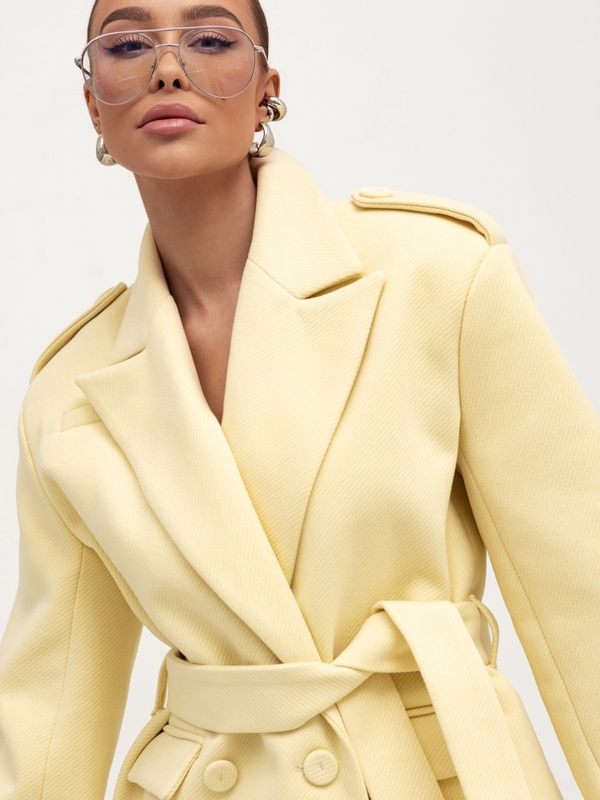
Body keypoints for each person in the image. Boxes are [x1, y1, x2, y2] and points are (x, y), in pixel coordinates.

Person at [0, 0, 599, 798]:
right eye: (128, 44)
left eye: (210, 38)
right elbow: (49, 708)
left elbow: (580, 592)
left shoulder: (438, 273)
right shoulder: (67, 397)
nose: (167, 68)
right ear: (92, 104)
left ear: (267, 92)